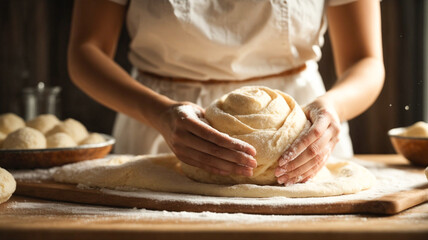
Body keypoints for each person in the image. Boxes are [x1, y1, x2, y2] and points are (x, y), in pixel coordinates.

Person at [68, 0, 384, 186]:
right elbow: (86, 51)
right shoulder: (159, 118)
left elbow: (365, 60)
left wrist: (334, 108)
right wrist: (159, 113)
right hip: (159, 128)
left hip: (300, 134)